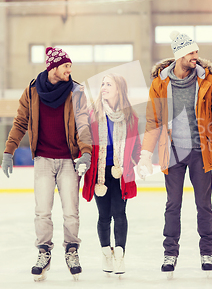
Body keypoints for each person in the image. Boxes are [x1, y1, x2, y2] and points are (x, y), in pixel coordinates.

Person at [136, 31, 212, 275]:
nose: (196, 56)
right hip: (171, 152)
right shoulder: (160, 84)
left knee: (203, 204)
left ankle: (207, 251)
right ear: (179, 54)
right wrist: (145, 154)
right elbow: (154, 122)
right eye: (191, 52)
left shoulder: (208, 80)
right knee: (173, 204)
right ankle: (170, 253)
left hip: (200, 152)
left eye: (196, 51)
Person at [1, 47, 92, 281]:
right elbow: (21, 122)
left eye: (70, 66)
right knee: (42, 211)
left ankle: (72, 250)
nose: (70, 71)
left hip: (68, 160)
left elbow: (83, 124)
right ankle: (44, 252)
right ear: (53, 68)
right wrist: (9, 151)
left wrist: (86, 151)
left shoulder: (76, 91)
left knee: (71, 212)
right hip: (43, 159)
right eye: (66, 66)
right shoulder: (32, 91)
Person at [82, 73, 141, 275]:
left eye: (109, 84)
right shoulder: (92, 114)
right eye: (102, 84)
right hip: (99, 173)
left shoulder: (130, 117)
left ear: (119, 89)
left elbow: (136, 148)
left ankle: (120, 256)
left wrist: (139, 163)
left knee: (120, 213)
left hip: (121, 173)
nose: (104, 87)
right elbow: (83, 141)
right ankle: (106, 253)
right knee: (104, 216)